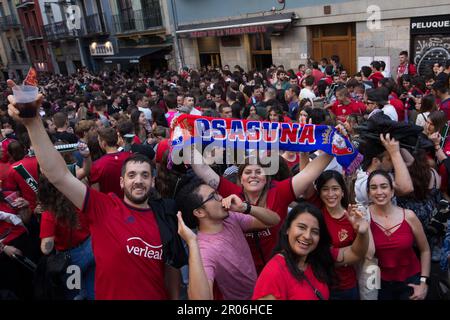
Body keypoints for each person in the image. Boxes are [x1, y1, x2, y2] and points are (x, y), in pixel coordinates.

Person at [7, 85, 186, 299]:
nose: (138, 181)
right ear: (121, 182)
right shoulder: (103, 207)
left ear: (153, 181)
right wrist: (33, 122)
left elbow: (172, 269)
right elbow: (58, 175)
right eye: (131, 175)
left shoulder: (165, 216)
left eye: (145, 175)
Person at [189, 150, 333, 273]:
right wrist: (186, 141)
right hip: (245, 272)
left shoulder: (279, 191)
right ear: (241, 179)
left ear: (266, 178)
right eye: (248, 172)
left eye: (259, 172)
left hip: (281, 267)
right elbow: (203, 169)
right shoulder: (232, 192)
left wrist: (335, 145)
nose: (253, 175)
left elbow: (309, 173)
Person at [175, 176, 280, 300]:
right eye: (213, 196)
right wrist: (192, 243)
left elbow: (274, 220)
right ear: (199, 213)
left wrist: (245, 208)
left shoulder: (231, 218)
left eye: (217, 193)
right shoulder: (204, 250)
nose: (221, 198)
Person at [251, 202, 369, 300]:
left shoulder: (316, 258)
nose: (307, 236)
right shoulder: (273, 273)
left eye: (315, 232)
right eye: (301, 227)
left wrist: (362, 232)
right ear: (287, 229)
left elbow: (355, 253)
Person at [367, 170, 430, 300]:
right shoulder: (364, 218)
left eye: (384, 186)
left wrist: (423, 282)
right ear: (368, 193)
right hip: (378, 284)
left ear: (392, 191)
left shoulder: (409, 216)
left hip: (410, 281)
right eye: (373, 188)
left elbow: (425, 250)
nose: (379, 192)